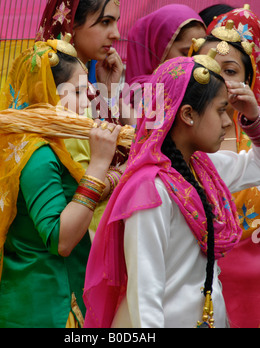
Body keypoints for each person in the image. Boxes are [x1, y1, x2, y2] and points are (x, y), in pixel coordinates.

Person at [83, 52, 260, 328]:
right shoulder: (150, 191)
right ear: (188, 114)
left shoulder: (204, 169)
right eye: (221, 111)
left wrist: (255, 117)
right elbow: (146, 299)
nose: (228, 122)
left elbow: (256, 168)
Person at [0, 37, 121, 328]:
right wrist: (99, 166)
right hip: (42, 306)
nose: (88, 95)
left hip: (31, 296)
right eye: (75, 90)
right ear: (47, 95)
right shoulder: (38, 155)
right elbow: (60, 239)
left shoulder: (34, 143)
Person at [35, 0, 128, 233]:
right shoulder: (55, 91)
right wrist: (127, 169)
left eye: (116, 22)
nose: (116, 34)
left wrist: (107, 93)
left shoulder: (86, 89)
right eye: (105, 22)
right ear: (70, 25)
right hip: (77, 245)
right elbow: (80, 186)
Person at [191, 12, 260, 328]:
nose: (217, 80)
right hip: (188, 298)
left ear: (250, 81)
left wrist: (255, 124)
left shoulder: (232, 155)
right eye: (207, 70)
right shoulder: (175, 151)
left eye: (229, 71)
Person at [124, 3, 206, 88]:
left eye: (201, 54)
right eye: (186, 53)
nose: (196, 61)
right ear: (158, 48)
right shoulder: (134, 94)